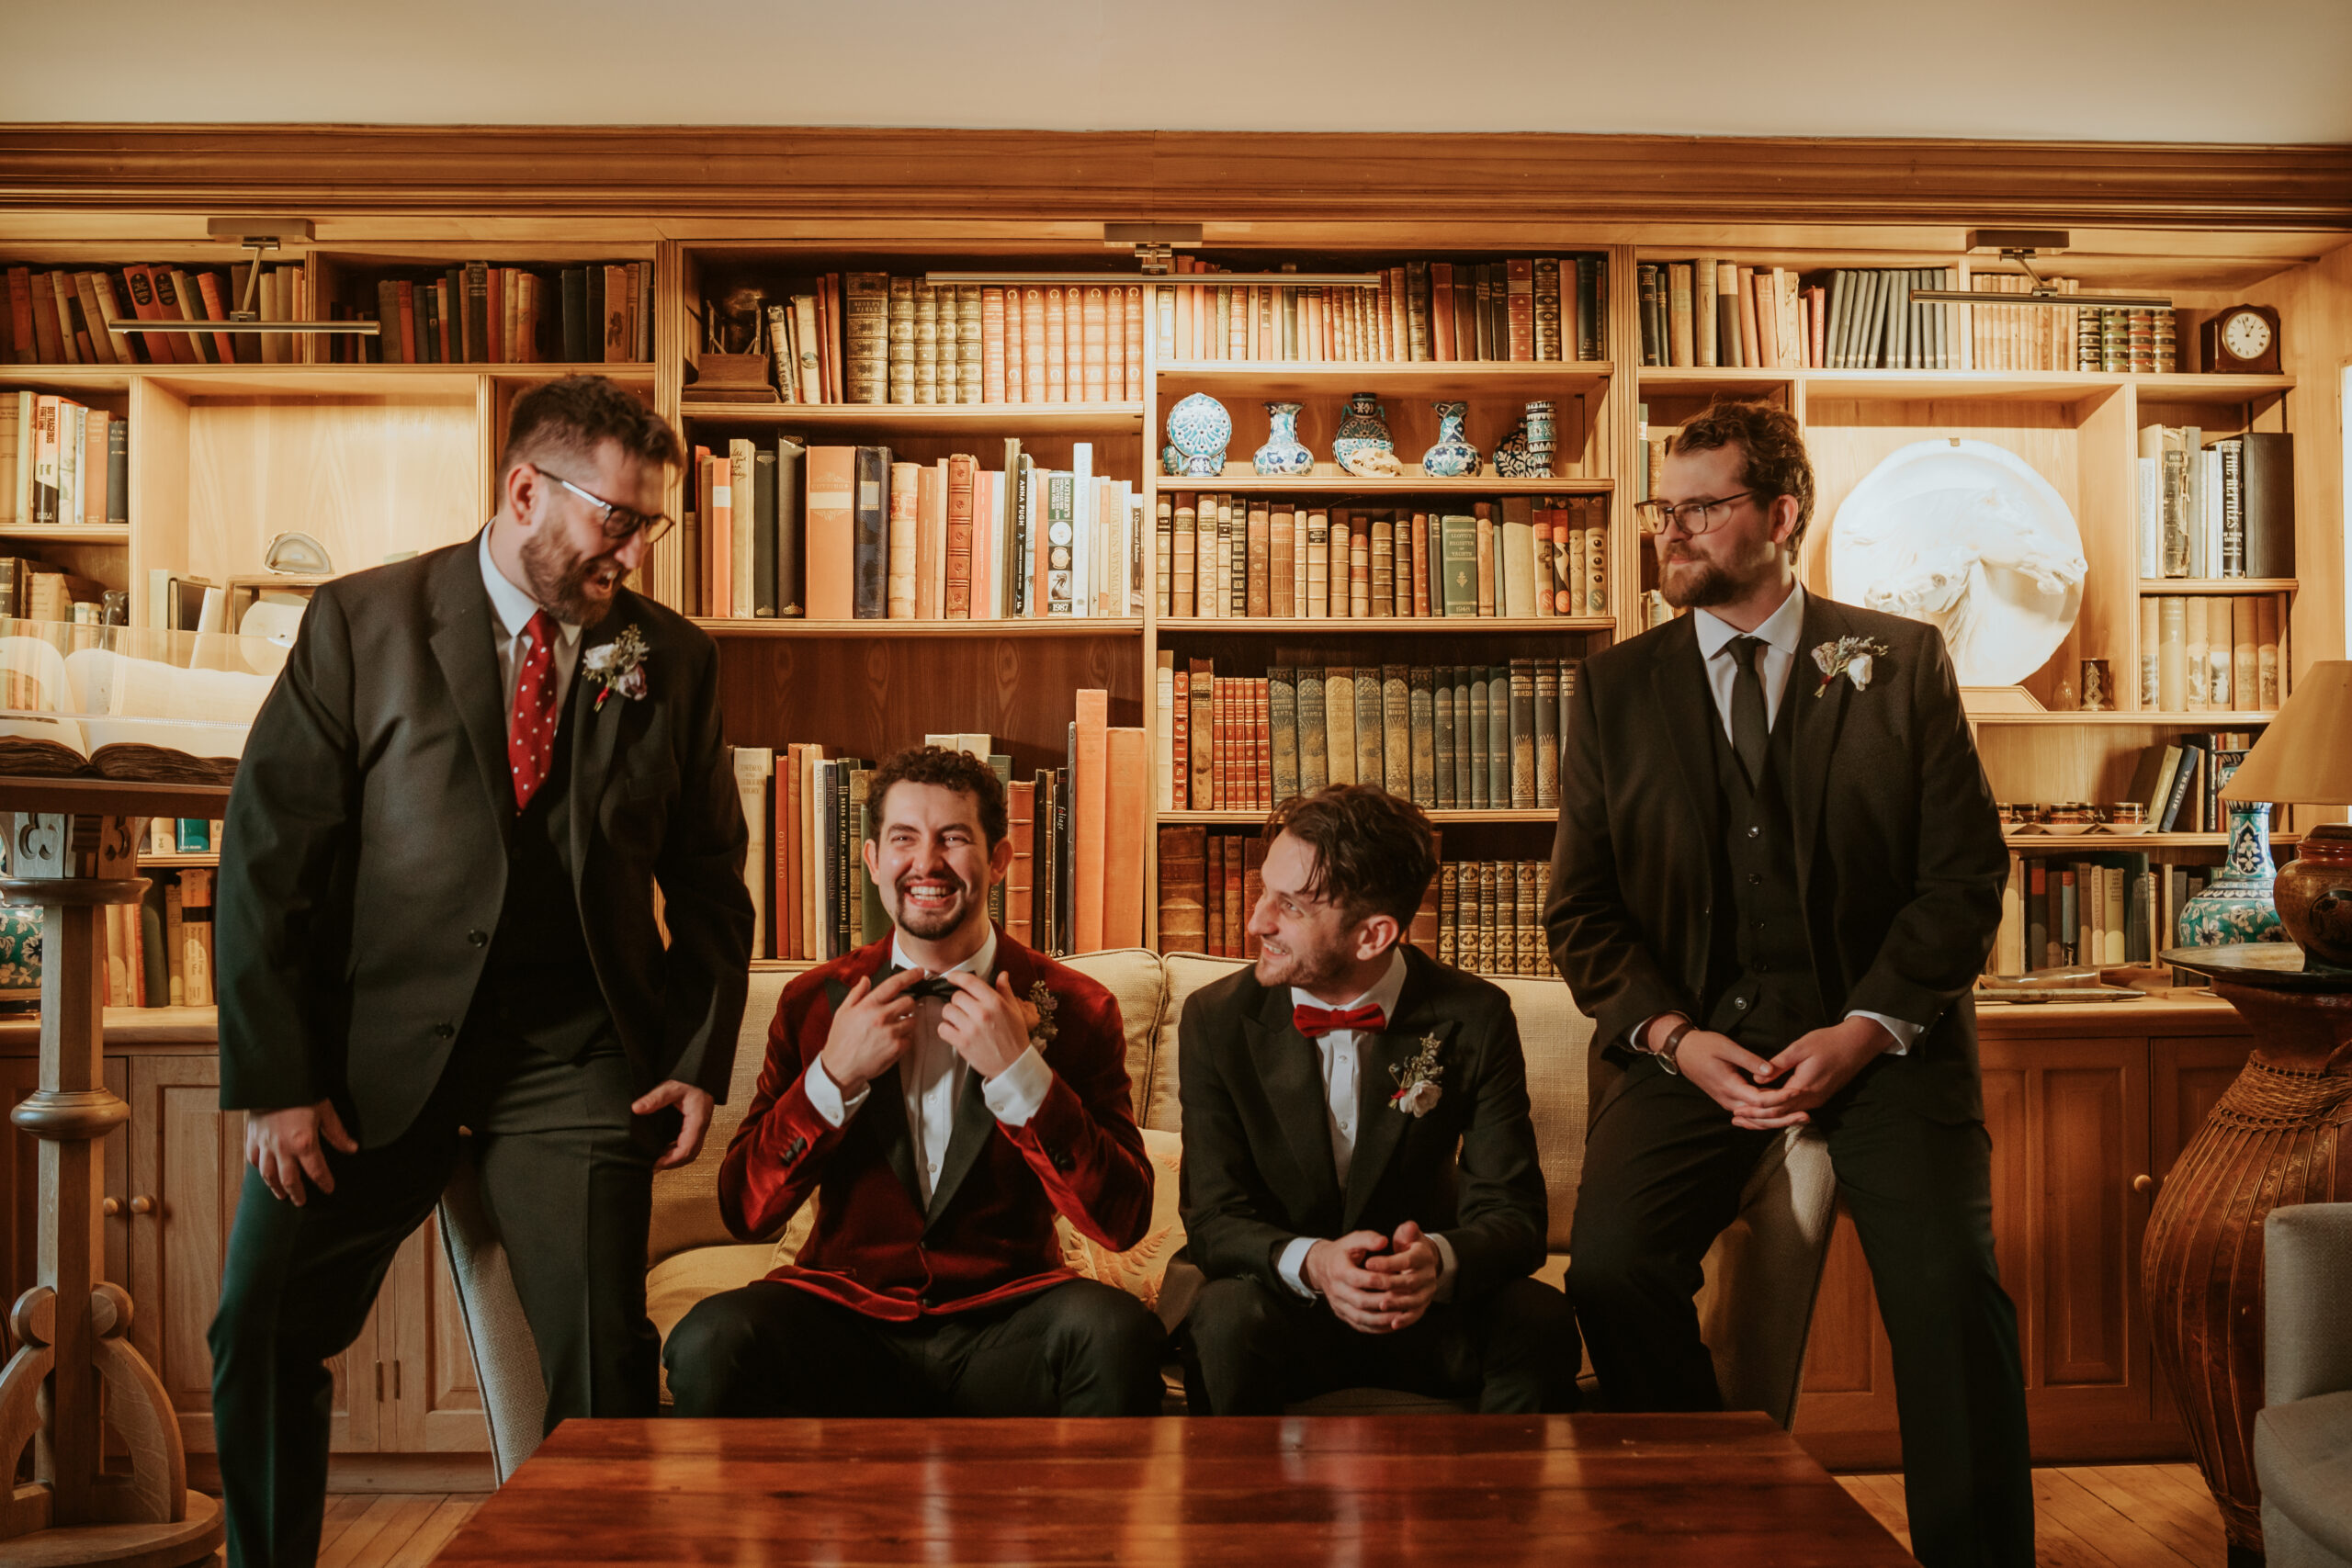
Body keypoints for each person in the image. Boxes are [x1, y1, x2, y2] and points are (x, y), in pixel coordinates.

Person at [209, 375, 752, 1568]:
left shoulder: (670, 657)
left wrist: (694, 1059)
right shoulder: (364, 623)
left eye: (653, 523)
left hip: (574, 1052)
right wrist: (280, 1077)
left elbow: (713, 880)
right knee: (258, 1328)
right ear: (524, 490)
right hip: (363, 1058)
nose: (637, 546)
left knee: (607, 1365)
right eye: (620, 517)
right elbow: (267, 858)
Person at [1544, 400, 2032, 1566]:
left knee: (1949, 1298)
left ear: (1781, 514)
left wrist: (1866, 1027)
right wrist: (1670, 1036)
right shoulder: (1614, 691)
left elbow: (1961, 881)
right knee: (1612, 1273)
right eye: (1667, 510)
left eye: (1703, 508)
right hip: (1693, 1052)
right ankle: (1717, 1523)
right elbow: (1583, 912)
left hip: (1886, 1049)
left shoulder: (1901, 661)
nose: (1674, 532)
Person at [665, 743, 1164, 1416]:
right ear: (872, 860)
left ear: (1000, 860)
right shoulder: (813, 1003)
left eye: (953, 838)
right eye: (903, 838)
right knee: (710, 1340)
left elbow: (1123, 1218)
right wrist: (831, 1077)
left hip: (1010, 1316)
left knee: (1117, 1336)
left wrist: (1023, 1075)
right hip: (845, 1319)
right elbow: (745, 1210)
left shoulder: (1077, 1006)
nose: (925, 862)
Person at [1176, 784, 1576, 1415]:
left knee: (1540, 1319)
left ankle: (1499, 1509)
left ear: (1373, 935)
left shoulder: (1474, 1015)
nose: (1257, 921)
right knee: (1224, 1319)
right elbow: (1213, 1219)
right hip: (1283, 1311)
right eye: (1264, 892)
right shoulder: (1215, 1019)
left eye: (1289, 905)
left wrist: (1436, 1262)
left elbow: (1515, 1217)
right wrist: (1316, 1264)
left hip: (1420, 1317)